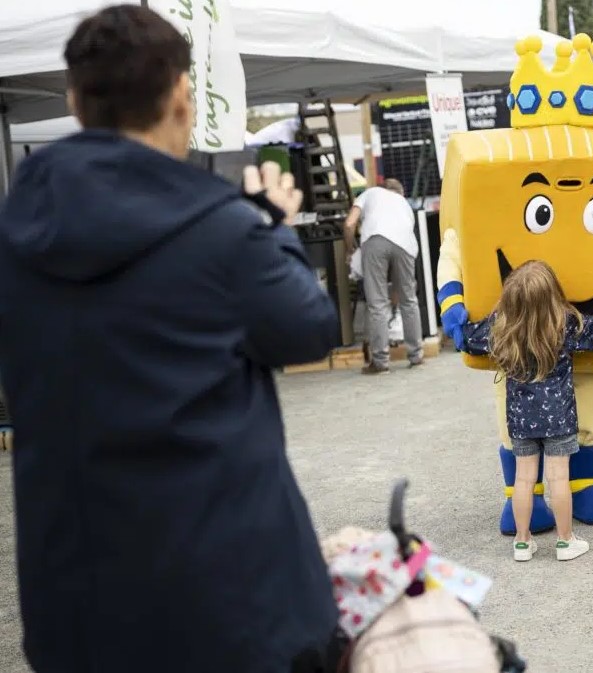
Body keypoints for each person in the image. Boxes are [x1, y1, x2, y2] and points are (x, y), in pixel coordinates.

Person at [0, 6, 341, 672]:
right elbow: (307, 328)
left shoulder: (17, 234)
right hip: (223, 605)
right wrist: (273, 226)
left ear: (74, 100)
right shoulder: (220, 231)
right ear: (183, 98)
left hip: (76, 609)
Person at [459, 261, 593, 561]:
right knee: (559, 480)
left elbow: (467, 338)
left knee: (523, 481)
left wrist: (457, 318)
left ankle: (521, 542)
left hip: (520, 421)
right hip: (559, 419)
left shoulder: (499, 329)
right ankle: (565, 540)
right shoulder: (565, 324)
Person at [344, 178, 423, 374]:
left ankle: (380, 362)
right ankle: (416, 356)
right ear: (400, 193)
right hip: (406, 245)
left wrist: (349, 249)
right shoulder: (404, 205)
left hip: (376, 240)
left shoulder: (370, 193)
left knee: (377, 303)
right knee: (409, 300)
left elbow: (349, 223)